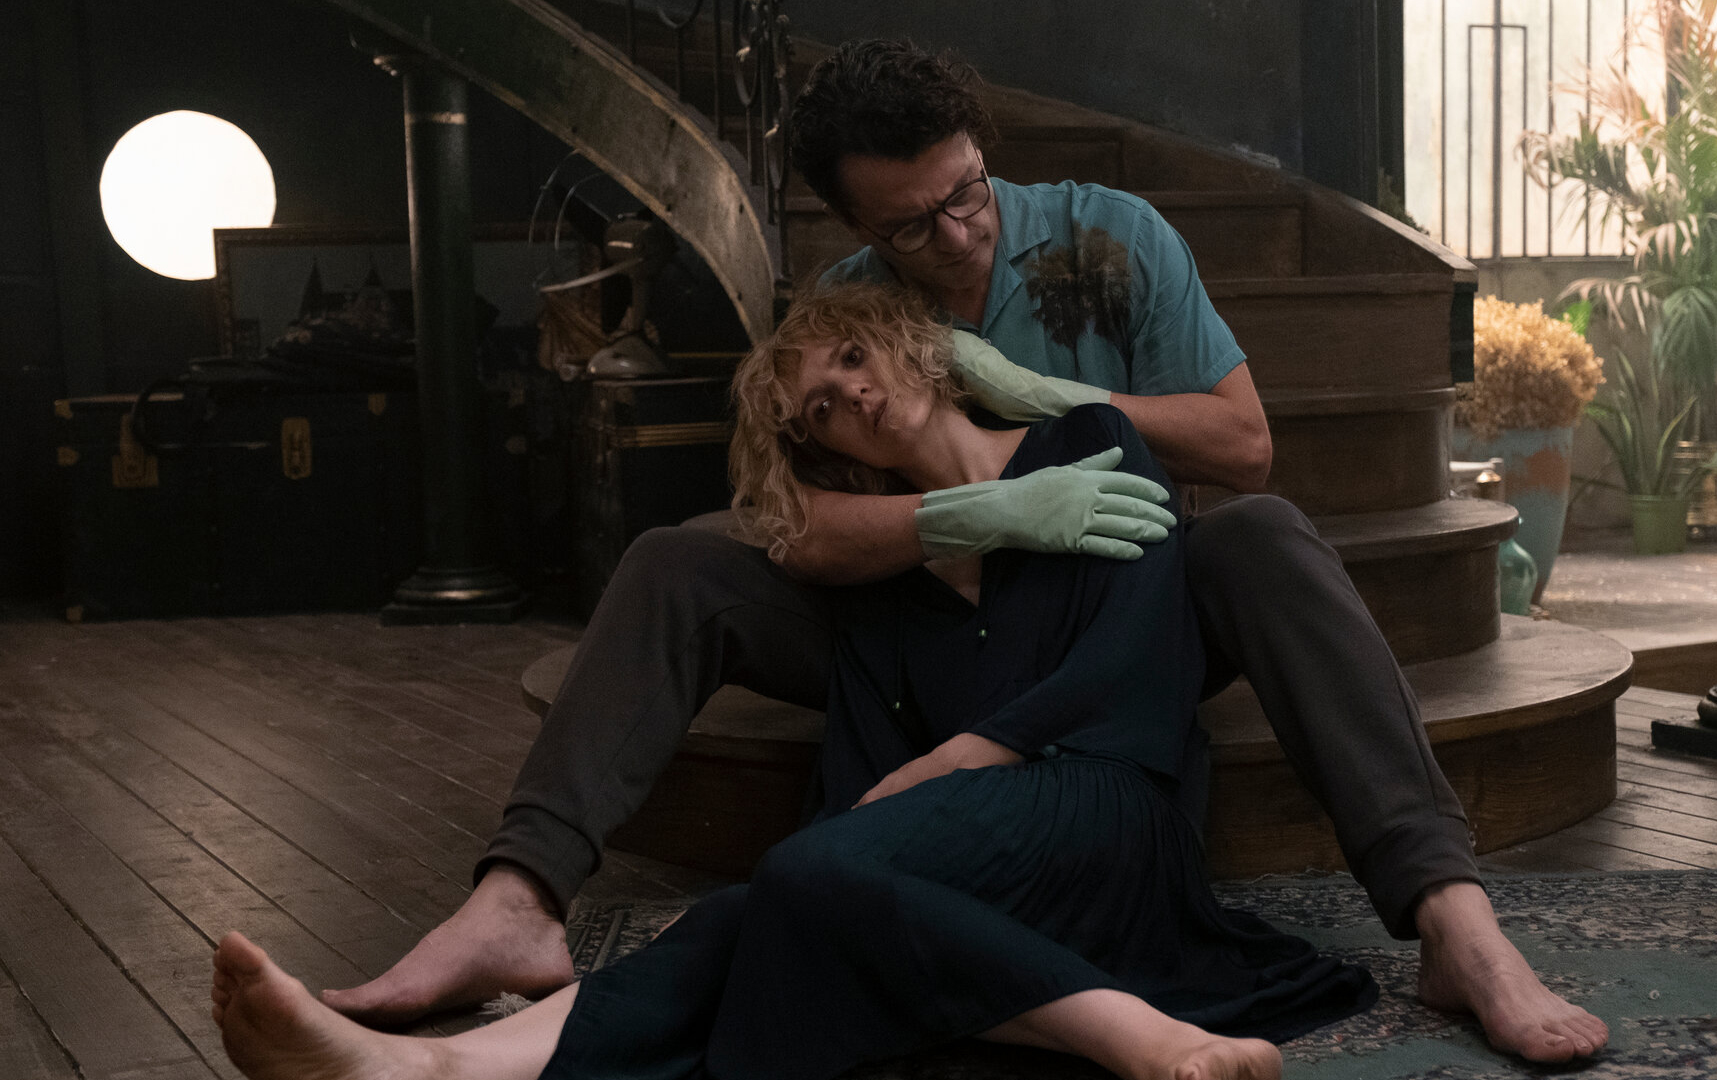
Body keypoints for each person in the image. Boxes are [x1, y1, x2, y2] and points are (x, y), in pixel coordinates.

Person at [326, 38, 1609, 1064]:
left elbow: (1245, 445)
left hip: (1115, 616)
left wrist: (1051, 403)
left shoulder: (1110, 239)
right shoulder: (848, 307)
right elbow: (789, 522)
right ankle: (517, 901)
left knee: (1266, 539)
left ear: (981, 152)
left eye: (965, 193)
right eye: (910, 226)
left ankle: (1454, 921)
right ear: (855, 226)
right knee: (674, 561)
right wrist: (976, 514)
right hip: (927, 626)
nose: (954, 235)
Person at [212, 282, 1378, 1080]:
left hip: (1109, 805)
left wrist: (957, 758)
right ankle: (434, 1068)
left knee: (800, 878)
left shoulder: (1090, 447)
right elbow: (863, 767)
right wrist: (897, 797)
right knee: (775, 899)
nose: (850, 395)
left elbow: (1137, 674)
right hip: (972, 857)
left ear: (911, 347)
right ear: (829, 449)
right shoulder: (880, 568)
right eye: (822, 405)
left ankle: (1140, 1040)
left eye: (854, 359)